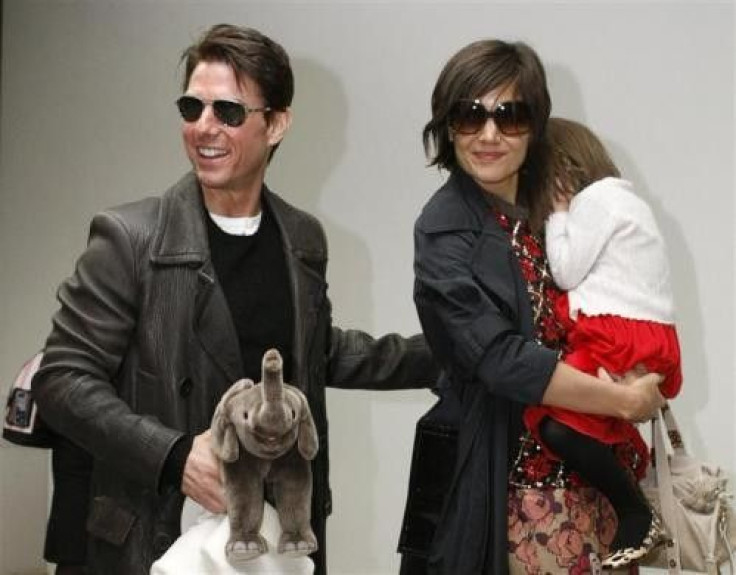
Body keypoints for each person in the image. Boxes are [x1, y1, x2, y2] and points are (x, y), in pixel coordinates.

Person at [31, 24, 436, 575]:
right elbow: (61, 381)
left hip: (271, 536)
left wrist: (446, 355)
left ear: (277, 124)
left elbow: (313, 351)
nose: (204, 127)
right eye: (191, 108)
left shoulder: (302, 238)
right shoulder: (129, 237)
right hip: (155, 536)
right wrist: (174, 457)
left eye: (227, 111)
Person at [398, 39, 665, 574]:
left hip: (595, 482)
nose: (490, 134)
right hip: (511, 490)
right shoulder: (444, 226)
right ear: (449, 126)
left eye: (510, 115)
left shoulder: (563, 200)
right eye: (471, 116)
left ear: (535, 123)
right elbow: (501, 359)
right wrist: (621, 402)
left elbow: (625, 287)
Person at [522, 116, 681, 568]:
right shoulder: (631, 202)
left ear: (561, 170)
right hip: (651, 337)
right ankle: (632, 511)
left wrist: (557, 214)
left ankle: (635, 511)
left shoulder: (595, 202)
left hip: (618, 335)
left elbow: (566, 270)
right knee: (592, 422)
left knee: (552, 420)